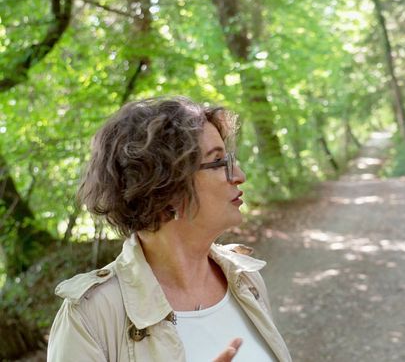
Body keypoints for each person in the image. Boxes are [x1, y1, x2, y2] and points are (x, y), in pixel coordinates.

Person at [47, 97, 292, 362]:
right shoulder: (90, 315)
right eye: (218, 161)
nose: (239, 175)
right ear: (165, 186)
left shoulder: (245, 278)